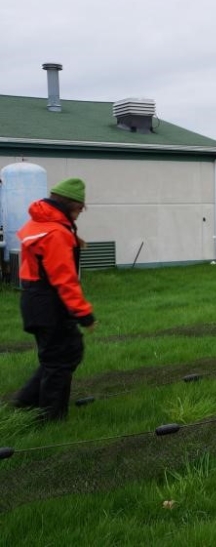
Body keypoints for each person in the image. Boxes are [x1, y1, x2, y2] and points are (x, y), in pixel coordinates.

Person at [13, 178, 95, 421]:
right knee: (62, 358)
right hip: (49, 302)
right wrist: (84, 314)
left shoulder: (42, 223)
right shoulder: (56, 232)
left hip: (35, 300)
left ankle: (27, 403)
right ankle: (51, 417)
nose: (80, 214)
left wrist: (72, 241)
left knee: (59, 355)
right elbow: (64, 279)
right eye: (80, 208)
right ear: (71, 204)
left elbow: (44, 254)